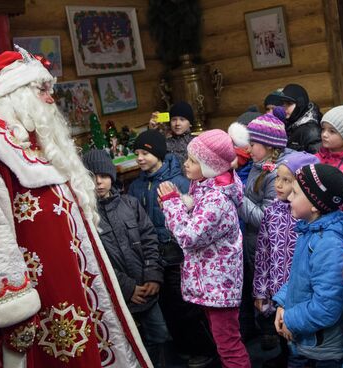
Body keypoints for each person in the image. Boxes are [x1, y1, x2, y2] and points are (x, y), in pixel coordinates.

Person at [0, 47, 149, 367]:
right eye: (42, 89)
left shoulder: (36, 143)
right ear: (14, 92)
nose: (51, 99)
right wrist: (15, 312)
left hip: (71, 291)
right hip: (36, 313)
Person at [158, 129, 251, 368]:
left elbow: (188, 236)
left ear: (210, 166)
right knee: (223, 341)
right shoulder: (205, 187)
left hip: (219, 285)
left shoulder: (217, 200)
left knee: (228, 345)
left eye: (192, 161)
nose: (185, 164)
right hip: (212, 283)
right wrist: (182, 204)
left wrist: (172, 206)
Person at [127, 130, 217, 366]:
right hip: (155, 256)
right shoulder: (136, 186)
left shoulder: (179, 181)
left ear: (157, 153)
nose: (139, 158)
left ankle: (204, 349)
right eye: (137, 153)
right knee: (168, 305)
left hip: (178, 253)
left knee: (187, 305)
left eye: (145, 153)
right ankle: (184, 346)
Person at [82, 149, 168, 366]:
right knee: (128, 346)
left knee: (160, 337)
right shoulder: (86, 216)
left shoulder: (130, 204)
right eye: (91, 178)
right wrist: (127, 288)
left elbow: (149, 238)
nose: (98, 183)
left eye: (103, 176)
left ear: (112, 176)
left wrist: (153, 276)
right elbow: (94, 260)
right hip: (118, 297)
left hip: (147, 289)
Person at [273, 163, 343, 367]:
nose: (289, 197)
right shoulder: (312, 228)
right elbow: (301, 277)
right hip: (307, 335)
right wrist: (283, 303)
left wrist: (290, 319)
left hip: (323, 348)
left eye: (295, 193)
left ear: (315, 205)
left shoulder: (329, 245)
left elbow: (327, 307)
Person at [253, 151, 319, 356]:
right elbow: (263, 253)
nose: (278, 185)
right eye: (277, 178)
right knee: (282, 338)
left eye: (286, 180)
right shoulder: (272, 211)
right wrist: (261, 291)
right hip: (276, 291)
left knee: (301, 346)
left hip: (302, 295)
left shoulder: (307, 215)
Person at [237, 112, 291, 342]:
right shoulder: (259, 166)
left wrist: (237, 196)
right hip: (254, 246)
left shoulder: (277, 173)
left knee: (274, 299)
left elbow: (265, 218)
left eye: (253, 143)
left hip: (269, 248)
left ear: (269, 146)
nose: (247, 149)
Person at [276, 84, 322, 153]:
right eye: (283, 103)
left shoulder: (312, 131)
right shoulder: (289, 123)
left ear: (300, 104)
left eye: (289, 104)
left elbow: (316, 160)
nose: (284, 108)